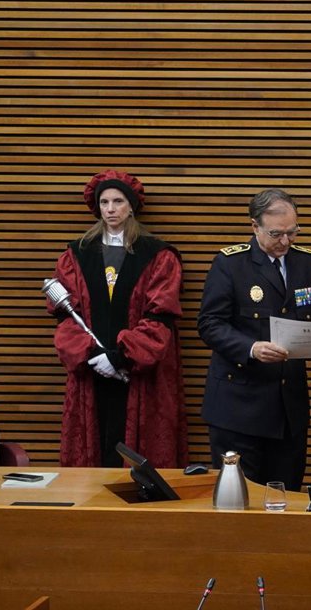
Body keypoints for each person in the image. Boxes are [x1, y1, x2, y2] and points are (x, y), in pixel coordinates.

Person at [48, 169, 187, 468]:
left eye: (118, 201)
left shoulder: (158, 255)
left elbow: (160, 319)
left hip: (140, 376)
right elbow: (66, 319)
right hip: (91, 373)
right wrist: (93, 355)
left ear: (132, 206)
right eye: (104, 202)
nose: (110, 209)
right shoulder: (77, 255)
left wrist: (120, 357)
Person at [198, 188, 311, 489]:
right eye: (276, 234)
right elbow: (209, 324)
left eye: (292, 232)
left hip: (288, 410)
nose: (285, 241)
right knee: (239, 499)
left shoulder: (307, 263)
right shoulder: (230, 264)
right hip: (238, 408)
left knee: (286, 496)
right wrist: (251, 348)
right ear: (254, 227)